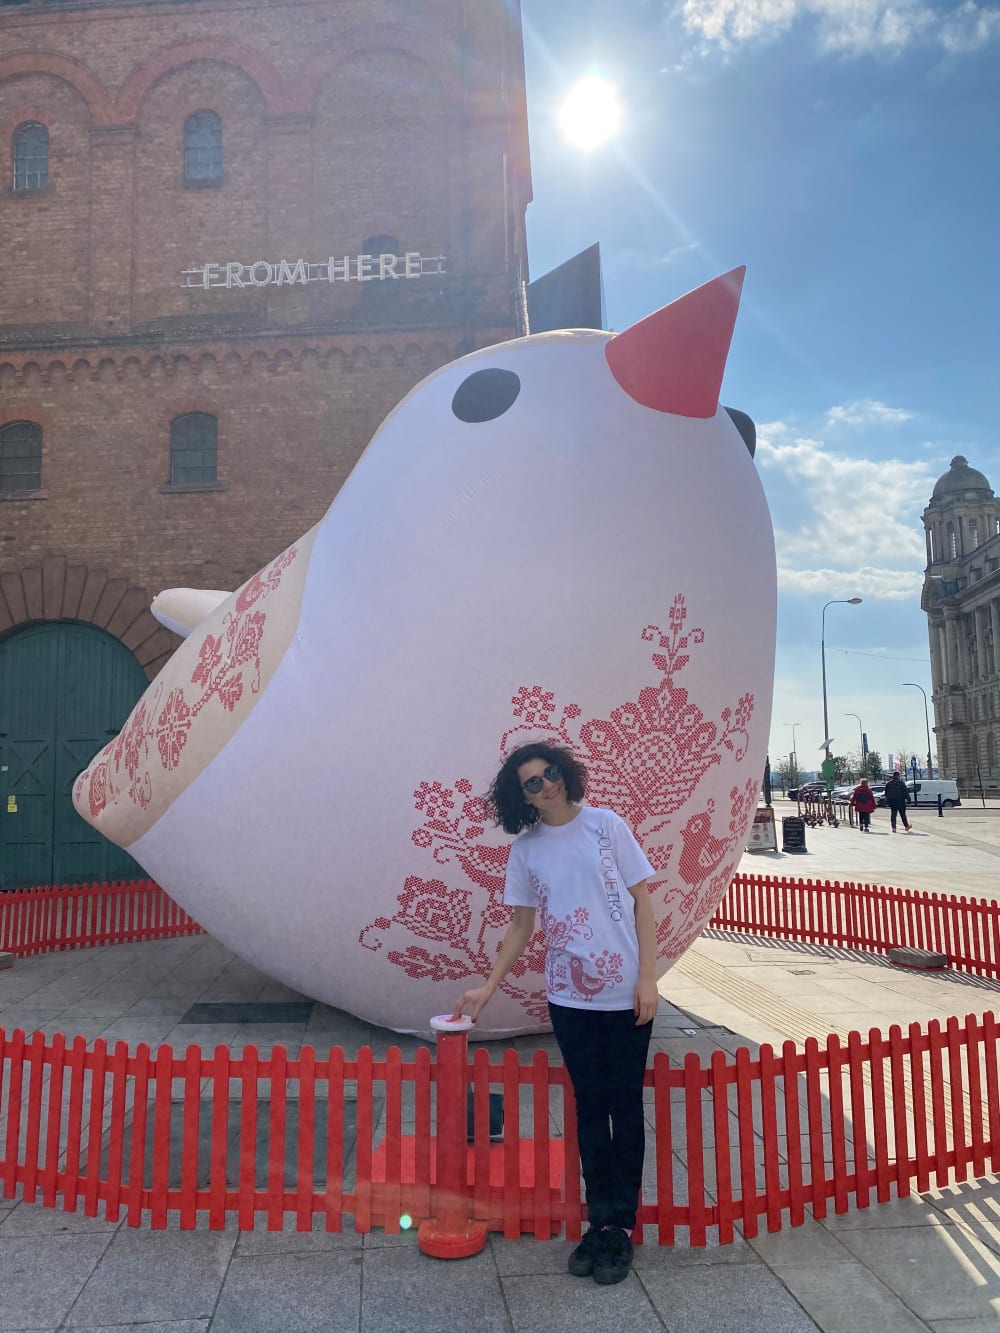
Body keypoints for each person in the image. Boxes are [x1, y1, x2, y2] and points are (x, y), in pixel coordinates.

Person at [452, 742, 658, 1286]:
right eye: (532, 783)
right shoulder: (527, 850)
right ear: (520, 798)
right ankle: (599, 1224)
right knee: (590, 1111)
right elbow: (521, 926)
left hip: (624, 995)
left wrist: (648, 978)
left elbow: (643, 903)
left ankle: (620, 1229)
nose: (547, 785)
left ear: (566, 773)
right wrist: (488, 988)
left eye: (550, 773)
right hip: (569, 999)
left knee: (625, 1109)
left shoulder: (607, 826)